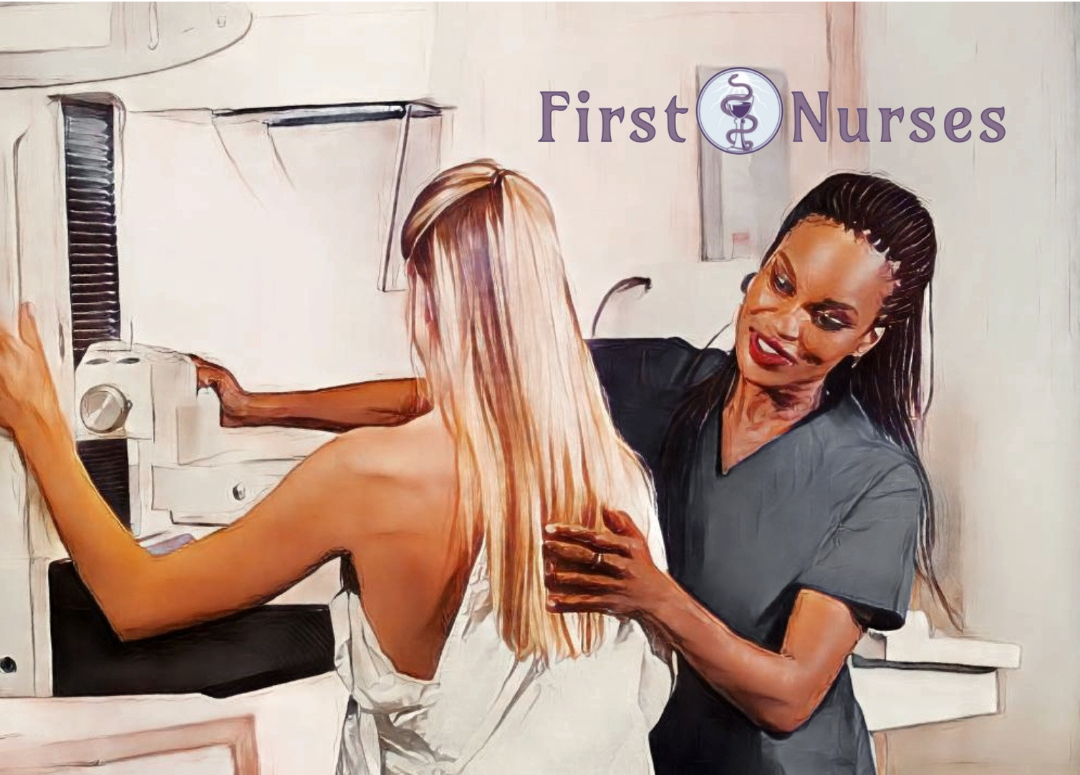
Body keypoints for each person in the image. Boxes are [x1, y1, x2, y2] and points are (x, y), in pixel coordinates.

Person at [193, 171, 952, 775]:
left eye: (828, 317)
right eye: (781, 284)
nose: (784, 325)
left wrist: (653, 596)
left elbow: (788, 697)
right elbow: (464, 393)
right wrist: (257, 405)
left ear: (867, 339)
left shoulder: (876, 480)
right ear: (757, 273)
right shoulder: (665, 379)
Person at [0, 160, 674, 775]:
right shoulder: (613, 475)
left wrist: (38, 423)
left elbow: (136, 601)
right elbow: (430, 396)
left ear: (426, 301)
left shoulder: (363, 478)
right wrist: (256, 407)